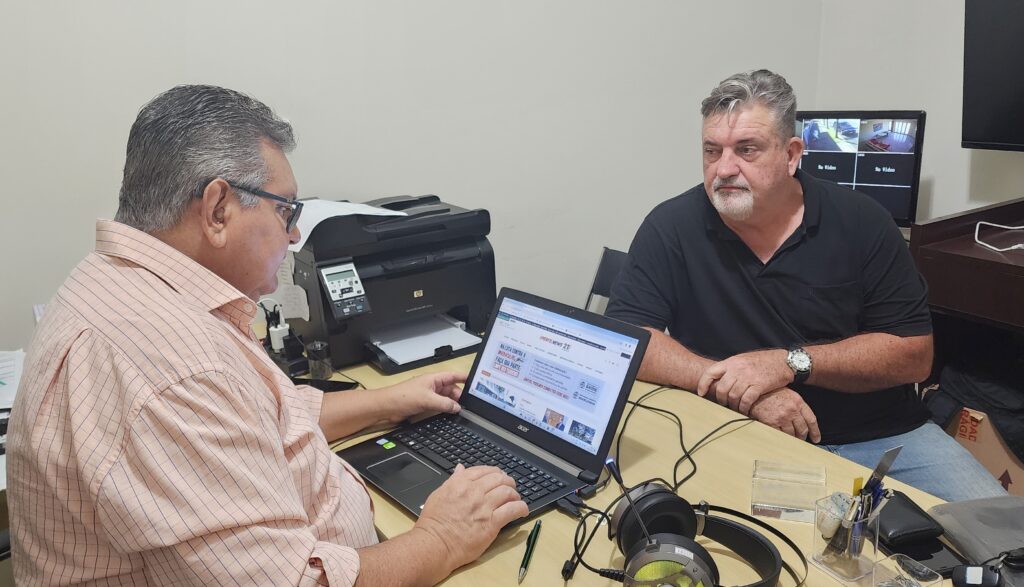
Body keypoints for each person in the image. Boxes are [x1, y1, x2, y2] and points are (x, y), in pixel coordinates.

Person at [7, 85, 528, 586]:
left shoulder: (128, 287)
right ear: (217, 210)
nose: (295, 233)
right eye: (286, 210)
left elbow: (255, 417)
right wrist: (442, 537)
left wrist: (390, 402)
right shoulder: (169, 364)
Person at [606, 69, 1005, 502]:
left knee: (1003, 540)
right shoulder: (671, 227)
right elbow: (630, 339)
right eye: (711, 150)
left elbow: (913, 356)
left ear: (792, 154)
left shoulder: (863, 222)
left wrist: (789, 363)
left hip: (879, 437)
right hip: (736, 428)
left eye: (747, 150)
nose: (724, 168)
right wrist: (741, 391)